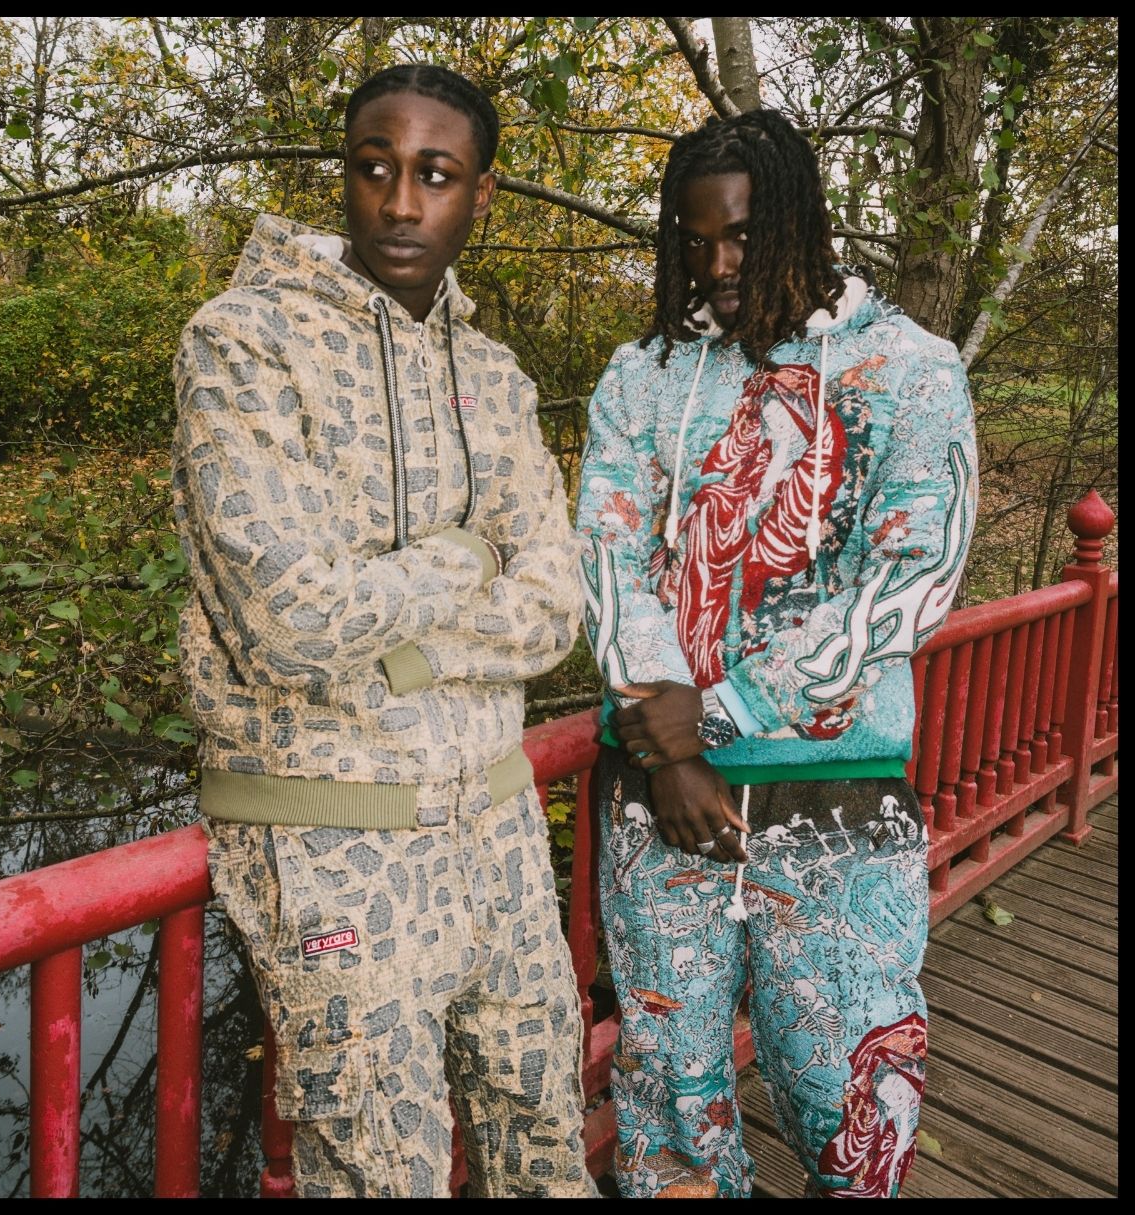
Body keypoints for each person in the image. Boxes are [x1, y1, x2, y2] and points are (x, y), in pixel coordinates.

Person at [171, 63, 595, 1199]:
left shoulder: (495, 377)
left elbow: (556, 606)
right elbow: (289, 620)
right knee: (378, 1175)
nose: (402, 203)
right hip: (332, 846)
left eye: (436, 175)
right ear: (345, 176)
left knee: (546, 1146)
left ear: (481, 194)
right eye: (375, 168)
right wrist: (469, 557)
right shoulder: (244, 343)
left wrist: (400, 638)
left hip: (499, 830)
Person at [577, 109, 977, 1198]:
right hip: (660, 803)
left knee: (855, 1106)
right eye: (694, 239)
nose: (717, 266)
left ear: (803, 220)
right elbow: (608, 557)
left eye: (744, 236)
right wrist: (668, 748)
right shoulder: (644, 374)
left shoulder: (907, 367)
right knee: (669, 1111)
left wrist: (717, 715)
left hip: (835, 800)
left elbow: (912, 577)